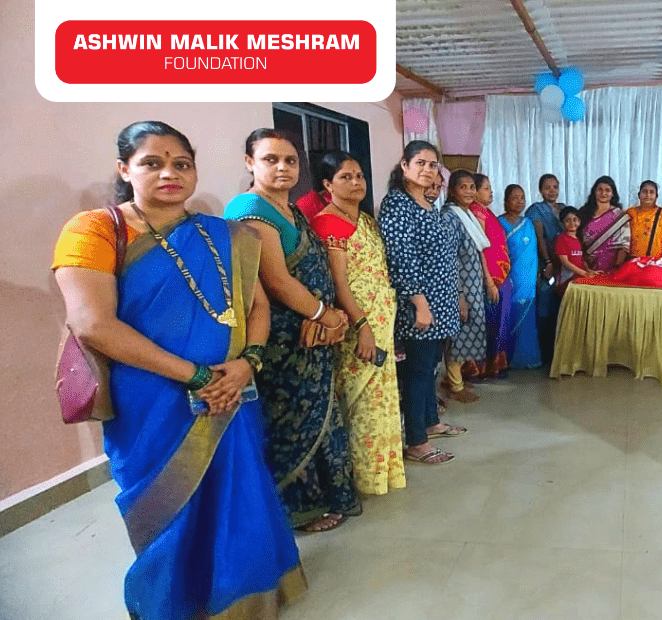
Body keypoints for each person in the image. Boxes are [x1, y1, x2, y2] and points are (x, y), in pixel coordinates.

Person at [54, 121, 304, 618]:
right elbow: (93, 325)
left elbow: (257, 307)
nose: (169, 173)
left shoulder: (224, 235)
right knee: (169, 509)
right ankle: (175, 603)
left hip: (233, 390)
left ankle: (247, 597)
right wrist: (196, 376)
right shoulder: (96, 230)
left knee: (240, 495)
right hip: (152, 399)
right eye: (152, 162)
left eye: (181, 164)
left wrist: (246, 363)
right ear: (124, 169)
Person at [224, 128, 360, 532]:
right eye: (270, 159)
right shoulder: (250, 209)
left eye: (290, 160)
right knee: (289, 420)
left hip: (312, 329)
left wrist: (329, 318)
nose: (282, 167)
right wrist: (326, 315)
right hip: (283, 336)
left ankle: (326, 496)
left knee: (320, 414)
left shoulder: (290, 210)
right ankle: (294, 510)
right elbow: (277, 282)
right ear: (250, 163)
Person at [309, 151, 406, 496]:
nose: (356, 182)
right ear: (327, 185)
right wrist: (362, 325)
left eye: (360, 176)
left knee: (383, 401)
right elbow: (339, 283)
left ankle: (383, 473)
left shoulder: (365, 220)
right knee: (362, 402)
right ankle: (362, 478)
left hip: (383, 320)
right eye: (345, 177)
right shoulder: (328, 222)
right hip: (357, 326)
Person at [378, 141, 466, 465]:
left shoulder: (428, 203)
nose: (428, 170)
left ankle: (432, 421)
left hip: (440, 300)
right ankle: (416, 440)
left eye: (433, 165)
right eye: (421, 163)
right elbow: (401, 258)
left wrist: (454, 294)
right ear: (404, 166)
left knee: (429, 367)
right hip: (419, 303)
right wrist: (420, 303)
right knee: (416, 371)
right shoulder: (398, 205)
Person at [440, 170, 489, 404]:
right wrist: (458, 295)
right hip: (460, 287)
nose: (469, 191)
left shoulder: (466, 214)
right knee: (459, 336)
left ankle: (454, 379)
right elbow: (449, 258)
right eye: (463, 187)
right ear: (451, 191)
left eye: (472, 187)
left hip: (472, 285)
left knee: (469, 331)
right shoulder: (450, 217)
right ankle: (455, 386)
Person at [464, 172, 512, 379]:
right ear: (474, 191)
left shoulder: (486, 212)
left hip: (500, 277)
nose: (490, 191)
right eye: (486, 188)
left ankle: (495, 364)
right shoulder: (477, 214)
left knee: (499, 320)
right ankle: (481, 367)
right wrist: (489, 281)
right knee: (488, 322)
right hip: (489, 279)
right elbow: (480, 250)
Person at [498, 184, 543, 368]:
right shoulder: (499, 223)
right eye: (515, 197)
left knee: (528, 318)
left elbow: (533, 251)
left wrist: (538, 271)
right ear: (506, 201)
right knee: (508, 315)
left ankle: (528, 359)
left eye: (522, 197)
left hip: (528, 278)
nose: (519, 201)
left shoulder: (528, 223)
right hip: (508, 278)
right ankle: (506, 359)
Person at [526, 173, 565, 367]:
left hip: (565, 264)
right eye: (548, 187)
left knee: (563, 308)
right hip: (546, 264)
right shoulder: (536, 210)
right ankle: (543, 354)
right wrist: (548, 261)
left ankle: (560, 352)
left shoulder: (564, 209)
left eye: (555, 187)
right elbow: (539, 237)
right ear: (541, 190)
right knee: (545, 308)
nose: (552, 191)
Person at [578, 176, 629, 272]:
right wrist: (584, 266)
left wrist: (616, 268)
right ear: (594, 192)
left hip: (612, 267)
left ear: (613, 193)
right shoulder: (583, 213)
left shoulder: (619, 216)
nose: (603, 193)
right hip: (586, 267)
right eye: (600, 190)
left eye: (607, 190)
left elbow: (624, 246)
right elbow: (576, 241)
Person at [626, 180, 662, 260]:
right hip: (633, 261)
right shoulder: (630, 213)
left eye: (652, 192)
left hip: (656, 262)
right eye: (644, 191)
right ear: (639, 195)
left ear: (656, 196)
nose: (648, 195)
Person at [555, 206, 600, 286]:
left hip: (579, 278)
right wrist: (585, 273)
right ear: (562, 223)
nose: (572, 223)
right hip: (567, 280)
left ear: (579, 222)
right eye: (567, 221)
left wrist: (589, 271)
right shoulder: (561, 239)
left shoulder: (579, 239)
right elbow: (565, 263)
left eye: (575, 220)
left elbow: (581, 260)